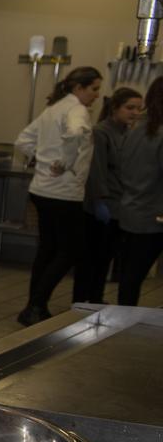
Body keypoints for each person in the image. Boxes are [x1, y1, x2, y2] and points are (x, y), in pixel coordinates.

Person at [14, 66, 102, 325]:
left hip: (41, 190)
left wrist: (41, 159)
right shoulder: (76, 110)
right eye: (94, 89)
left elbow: (22, 141)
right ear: (79, 88)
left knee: (47, 249)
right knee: (70, 250)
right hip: (64, 193)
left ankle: (34, 306)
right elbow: (74, 134)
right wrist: (64, 162)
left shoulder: (53, 109)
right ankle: (36, 305)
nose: (97, 95)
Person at [72, 87, 141, 304]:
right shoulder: (101, 132)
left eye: (138, 109)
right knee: (92, 257)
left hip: (120, 204)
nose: (135, 113)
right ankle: (82, 299)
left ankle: (96, 297)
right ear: (115, 108)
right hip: (101, 205)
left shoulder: (129, 133)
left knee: (106, 257)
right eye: (130, 108)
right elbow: (97, 170)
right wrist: (99, 201)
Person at [116, 77, 163, 305]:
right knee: (133, 276)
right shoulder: (159, 132)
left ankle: (123, 317)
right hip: (154, 216)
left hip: (131, 210)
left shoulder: (135, 129)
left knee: (130, 277)